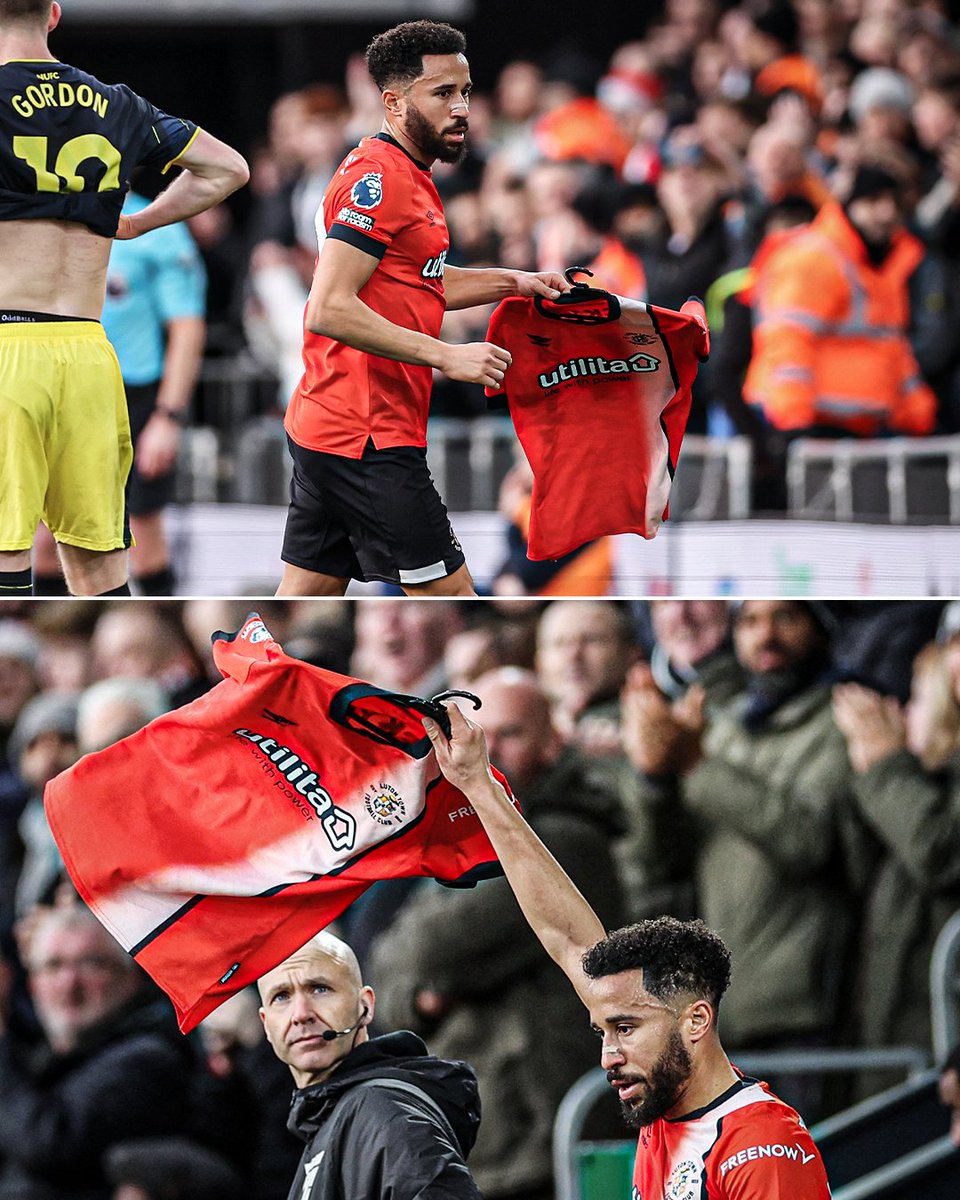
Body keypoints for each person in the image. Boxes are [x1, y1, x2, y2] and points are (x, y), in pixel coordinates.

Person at [419, 703, 832, 1199]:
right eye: (604, 1031)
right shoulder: (667, 1114)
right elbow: (564, 934)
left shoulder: (760, 1145)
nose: (608, 1057)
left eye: (626, 1029)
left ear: (695, 1022)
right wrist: (479, 786)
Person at [276, 20, 570, 598]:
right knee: (459, 604)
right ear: (392, 101)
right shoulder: (380, 179)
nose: (461, 108)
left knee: (304, 601)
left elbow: (421, 282)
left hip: (330, 425)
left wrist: (517, 282)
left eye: (464, 92)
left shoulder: (406, 172)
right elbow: (329, 308)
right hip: (367, 435)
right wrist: (447, 356)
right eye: (442, 94)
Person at [0, 0, 248, 599]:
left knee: (7, 559)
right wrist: (141, 223)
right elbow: (227, 170)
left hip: (7, 352)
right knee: (99, 573)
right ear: (54, 14)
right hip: (89, 352)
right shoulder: (115, 102)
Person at [369, 668, 624, 1200]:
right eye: (478, 733)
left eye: (509, 733)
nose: (488, 749)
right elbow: (384, 959)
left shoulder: (567, 840)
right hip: (486, 1133)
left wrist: (424, 978)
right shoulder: (459, 840)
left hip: (540, 1136)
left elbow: (436, 943)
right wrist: (416, 997)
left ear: (553, 743)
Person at [257, 929, 483, 1200]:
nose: (301, 1014)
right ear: (266, 1024)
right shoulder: (332, 1115)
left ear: (365, 1006)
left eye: (320, 989)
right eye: (281, 996)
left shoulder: (384, 1112)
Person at [0, 906, 192, 1199]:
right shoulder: (41, 1060)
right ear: (32, 986)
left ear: (132, 978)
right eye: (53, 966)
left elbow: (48, 1144)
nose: (69, 984)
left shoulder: (148, 1058)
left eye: (90, 964)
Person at [742, 165, 938, 438]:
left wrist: (920, 415)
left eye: (893, 203)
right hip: (813, 425)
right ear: (849, 204)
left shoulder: (881, 266)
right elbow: (788, 341)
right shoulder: (816, 258)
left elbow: (890, 347)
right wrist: (794, 420)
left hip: (860, 426)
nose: (886, 213)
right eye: (873, 201)